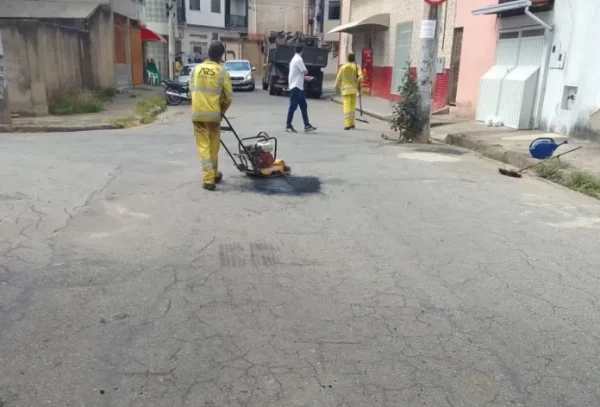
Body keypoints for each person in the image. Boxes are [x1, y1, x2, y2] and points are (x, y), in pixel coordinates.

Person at [190, 42, 233, 191]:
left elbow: (191, 91)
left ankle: (210, 176)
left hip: (198, 115)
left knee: (203, 146)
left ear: (208, 53)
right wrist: (221, 110)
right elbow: (228, 97)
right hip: (214, 116)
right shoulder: (222, 72)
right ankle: (211, 176)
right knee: (214, 146)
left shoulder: (196, 70)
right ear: (221, 56)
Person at [286, 44, 317, 133]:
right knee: (293, 107)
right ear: (302, 51)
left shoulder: (293, 59)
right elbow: (305, 71)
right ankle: (288, 125)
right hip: (296, 87)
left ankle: (307, 125)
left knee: (303, 106)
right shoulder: (299, 59)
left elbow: (300, 74)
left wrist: (307, 77)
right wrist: (307, 76)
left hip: (298, 86)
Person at [335, 52, 363, 130]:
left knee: (347, 108)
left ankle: (347, 124)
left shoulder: (343, 67)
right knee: (352, 108)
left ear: (347, 58)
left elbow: (338, 78)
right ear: (354, 59)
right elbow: (361, 78)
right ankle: (352, 123)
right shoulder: (357, 67)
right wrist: (359, 82)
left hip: (345, 91)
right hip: (353, 90)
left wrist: (336, 87)